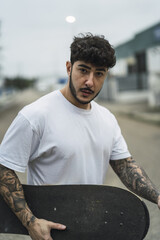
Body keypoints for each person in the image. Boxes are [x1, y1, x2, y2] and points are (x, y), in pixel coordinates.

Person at [0, 33, 160, 240]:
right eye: (83, 70)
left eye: (99, 74)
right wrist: (31, 222)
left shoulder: (107, 118)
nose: (89, 82)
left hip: (94, 226)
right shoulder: (35, 116)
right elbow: (4, 168)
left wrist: (157, 196)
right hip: (53, 232)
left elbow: (125, 166)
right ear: (69, 67)